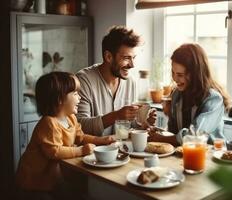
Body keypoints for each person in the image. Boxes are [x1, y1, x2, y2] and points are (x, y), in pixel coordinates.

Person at [16, 72, 115, 200]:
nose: (79, 98)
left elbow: (81, 137)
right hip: (33, 182)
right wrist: (81, 150)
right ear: (59, 99)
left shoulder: (71, 118)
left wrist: (101, 140)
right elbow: (54, 151)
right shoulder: (49, 123)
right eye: (75, 94)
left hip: (52, 178)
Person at [76, 26, 156, 136]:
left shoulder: (130, 82)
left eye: (134, 58)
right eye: (126, 58)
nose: (132, 65)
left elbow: (126, 127)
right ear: (108, 56)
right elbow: (79, 126)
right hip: (92, 151)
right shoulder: (84, 80)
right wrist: (116, 116)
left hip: (121, 150)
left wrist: (143, 123)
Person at [148, 43, 230, 146]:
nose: (175, 79)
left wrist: (162, 139)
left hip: (211, 156)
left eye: (180, 75)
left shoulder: (213, 99)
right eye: (173, 73)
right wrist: (157, 131)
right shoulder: (176, 95)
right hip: (183, 156)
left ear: (196, 74)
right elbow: (173, 133)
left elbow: (195, 135)